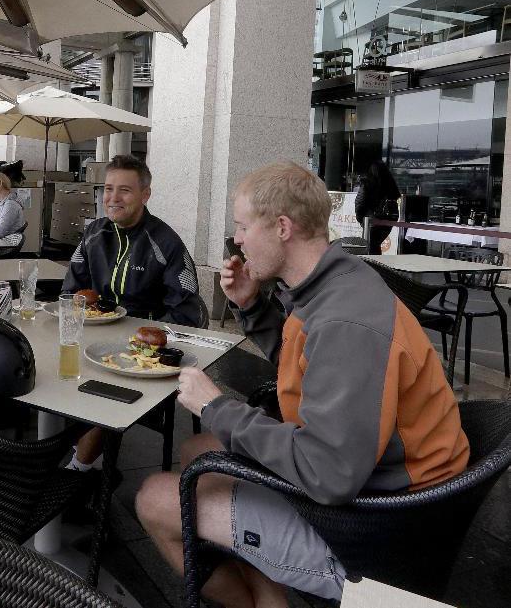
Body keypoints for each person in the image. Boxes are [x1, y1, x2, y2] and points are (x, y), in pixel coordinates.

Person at [134, 161, 469, 607]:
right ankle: (270, 591)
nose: (237, 240)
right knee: (199, 452)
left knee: (155, 499)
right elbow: (313, 365)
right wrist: (251, 306)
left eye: (243, 226)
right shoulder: (335, 282)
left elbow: (326, 473)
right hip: (376, 483)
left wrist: (216, 407)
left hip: (379, 530)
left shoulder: (345, 320)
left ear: (282, 228)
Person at [62, 154, 203, 472]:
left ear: (145, 194)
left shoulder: (166, 244)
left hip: (139, 356)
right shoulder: (93, 235)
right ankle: (83, 451)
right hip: (90, 340)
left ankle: (78, 474)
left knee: (106, 394)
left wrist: (146, 341)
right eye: (108, 189)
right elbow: (71, 293)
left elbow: (189, 312)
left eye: (124, 190)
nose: (113, 198)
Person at [354, 160, 400, 255]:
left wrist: (361, 219)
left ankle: (372, 267)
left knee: (370, 246)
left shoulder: (367, 184)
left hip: (371, 221)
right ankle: (376, 266)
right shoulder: (391, 185)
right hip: (387, 221)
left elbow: (360, 203)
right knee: (375, 245)